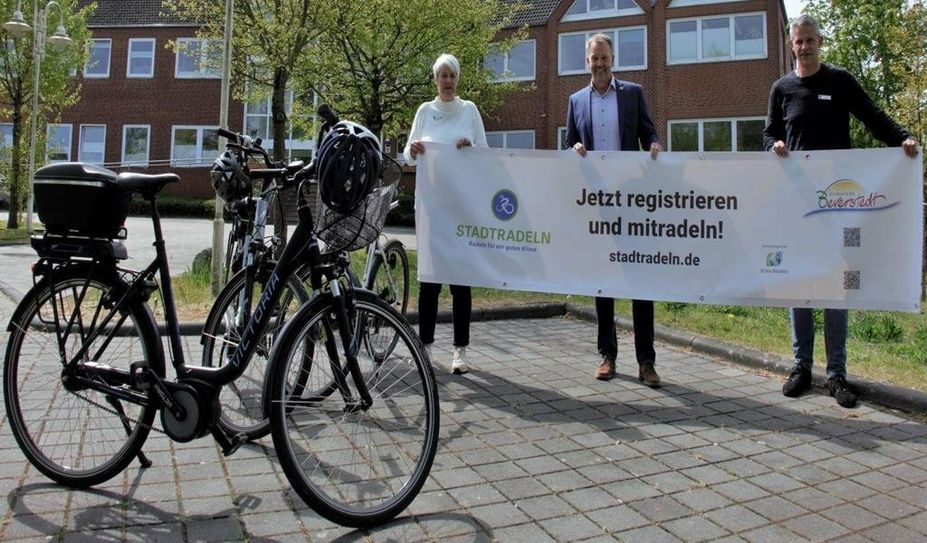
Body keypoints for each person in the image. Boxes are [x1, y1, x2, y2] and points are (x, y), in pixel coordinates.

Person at [763, 14, 920, 408]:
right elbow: (768, 132)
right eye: (798, 42)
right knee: (798, 283)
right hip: (797, 202)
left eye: (810, 40)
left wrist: (903, 139)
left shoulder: (841, 81)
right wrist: (773, 147)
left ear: (820, 42)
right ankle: (801, 367)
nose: (804, 47)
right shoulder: (781, 88)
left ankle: (836, 374)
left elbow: (872, 116)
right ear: (792, 45)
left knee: (836, 285)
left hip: (838, 202)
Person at [565, 33, 662, 387]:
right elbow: (570, 144)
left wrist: (653, 144)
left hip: (632, 202)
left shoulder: (633, 94)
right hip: (598, 204)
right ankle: (607, 355)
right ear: (586, 61)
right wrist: (574, 148)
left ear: (612, 59)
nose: (600, 64)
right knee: (603, 280)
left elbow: (648, 132)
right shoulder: (575, 100)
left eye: (604, 58)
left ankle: (646, 362)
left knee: (641, 280)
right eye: (594, 58)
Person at [403, 53, 488, 375]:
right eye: (443, 76)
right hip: (431, 209)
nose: (448, 81)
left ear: (458, 79)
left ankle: (460, 351)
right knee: (430, 280)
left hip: (461, 207)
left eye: (453, 75)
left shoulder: (469, 111)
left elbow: (485, 153)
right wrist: (413, 150)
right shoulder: (425, 111)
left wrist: (470, 148)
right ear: (435, 79)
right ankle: (425, 347)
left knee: (460, 282)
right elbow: (409, 155)